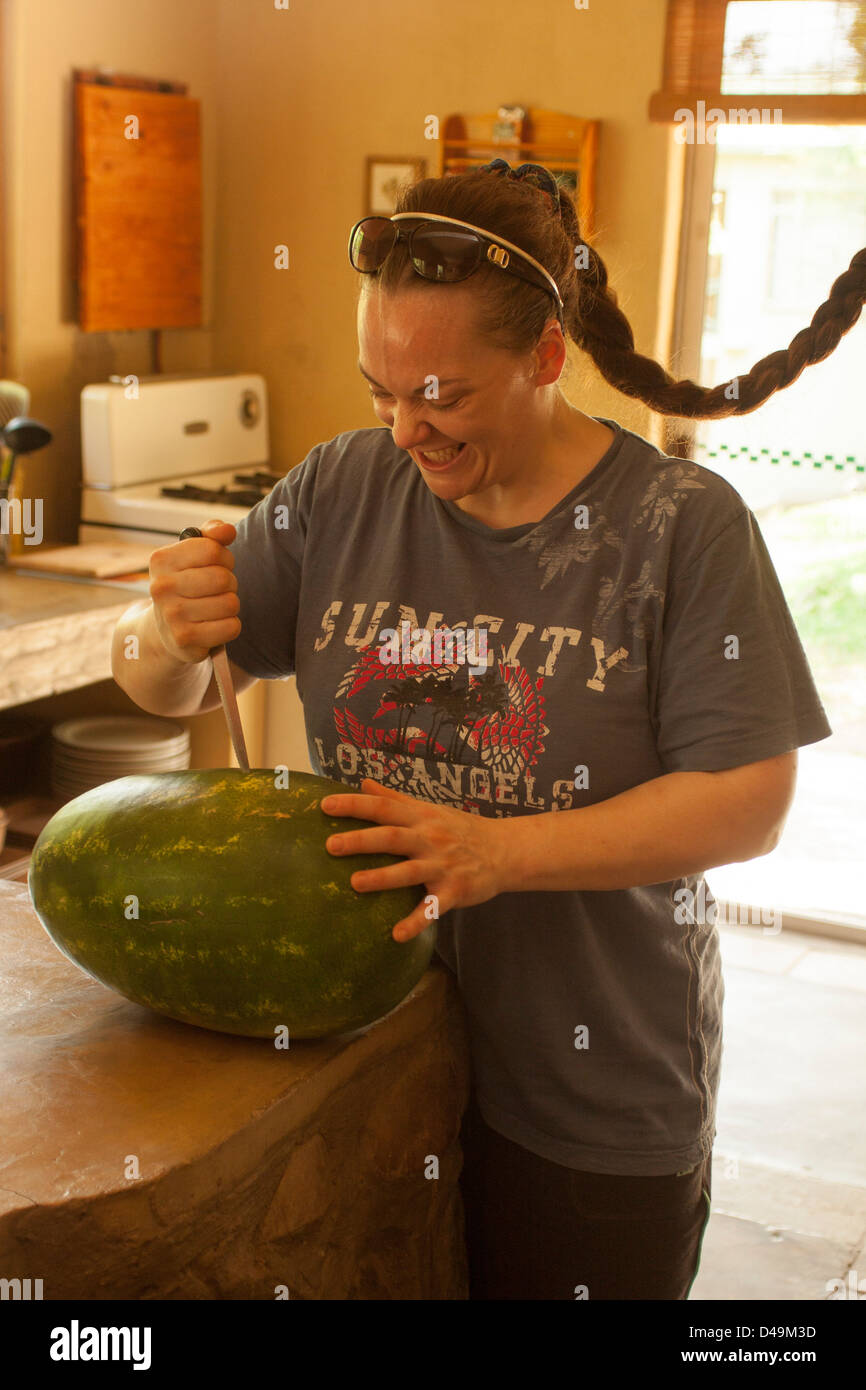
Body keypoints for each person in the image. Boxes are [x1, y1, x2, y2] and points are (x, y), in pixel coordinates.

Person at [112, 159, 864, 1300]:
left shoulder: (677, 529)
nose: (405, 428)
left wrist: (494, 850)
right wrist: (163, 632)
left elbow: (747, 797)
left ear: (544, 358)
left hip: (588, 1094)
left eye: (442, 396)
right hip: (359, 1067)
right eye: (380, 389)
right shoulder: (341, 489)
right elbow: (157, 691)